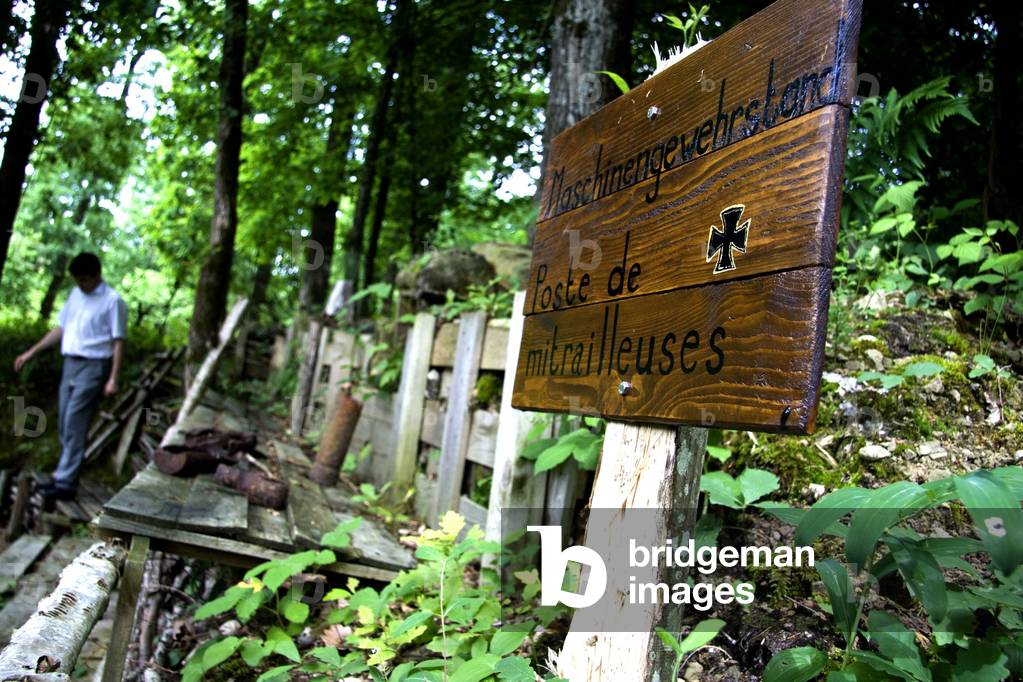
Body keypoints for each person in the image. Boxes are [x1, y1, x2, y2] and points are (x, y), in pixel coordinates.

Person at [13, 252, 127, 504]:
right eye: (77, 280)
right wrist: (31, 352)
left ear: (96, 276)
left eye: (84, 280)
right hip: (71, 363)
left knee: (76, 419)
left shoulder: (113, 301)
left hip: (95, 365)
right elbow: (61, 328)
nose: (81, 285)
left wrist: (113, 378)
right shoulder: (76, 295)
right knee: (65, 420)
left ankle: (66, 482)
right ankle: (62, 472)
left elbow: (119, 341)